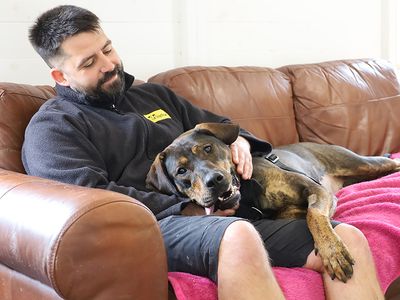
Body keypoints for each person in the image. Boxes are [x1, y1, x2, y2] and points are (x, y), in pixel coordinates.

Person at [23, 5, 384, 300]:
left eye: (107, 49)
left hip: (230, 208)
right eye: (88, 63)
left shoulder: (154, 96)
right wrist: (188, 207)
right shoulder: (54, 128)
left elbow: (221, 126)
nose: (107, 65)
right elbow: (87, 198)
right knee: (238, 234)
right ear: (60, 76)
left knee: (350, 237)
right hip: (153, 226)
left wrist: (239, 141)